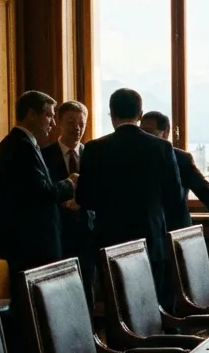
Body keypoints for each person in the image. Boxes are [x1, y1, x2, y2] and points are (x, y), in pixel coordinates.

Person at [76, 88, 185, 309]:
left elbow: (84, 199)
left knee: (117, 308)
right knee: (151, 307)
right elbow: (174, 197)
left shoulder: (94, 149)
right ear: (140, 114)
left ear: (112, 114)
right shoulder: (161, 147)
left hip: (110, 240)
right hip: (151, 239)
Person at [0, 91, 76, 320]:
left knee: (34, 307)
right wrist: (70, 183)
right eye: (48, 116)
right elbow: (42, 192)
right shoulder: (21, 147)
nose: (53, 123)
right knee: (31, 309)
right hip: (29, 241)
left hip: (30, 241)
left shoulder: (24, 144)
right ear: (31, 115)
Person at [41, 100, 97, 305]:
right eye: (71, 122)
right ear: (59, 122)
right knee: (57, 294)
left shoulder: (92, 154)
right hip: (57, 234)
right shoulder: (44, 155)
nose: (77, 128)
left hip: (87, 232)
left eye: (82, 123)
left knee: (86, 290)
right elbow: (41, 193)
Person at [138, 110, 209, 228]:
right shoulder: (136, 158)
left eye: (149, 132)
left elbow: (201, 187)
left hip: (177, 228)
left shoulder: (181, 158)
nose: (145, 137)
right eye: (142, 132)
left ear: (166, 133)